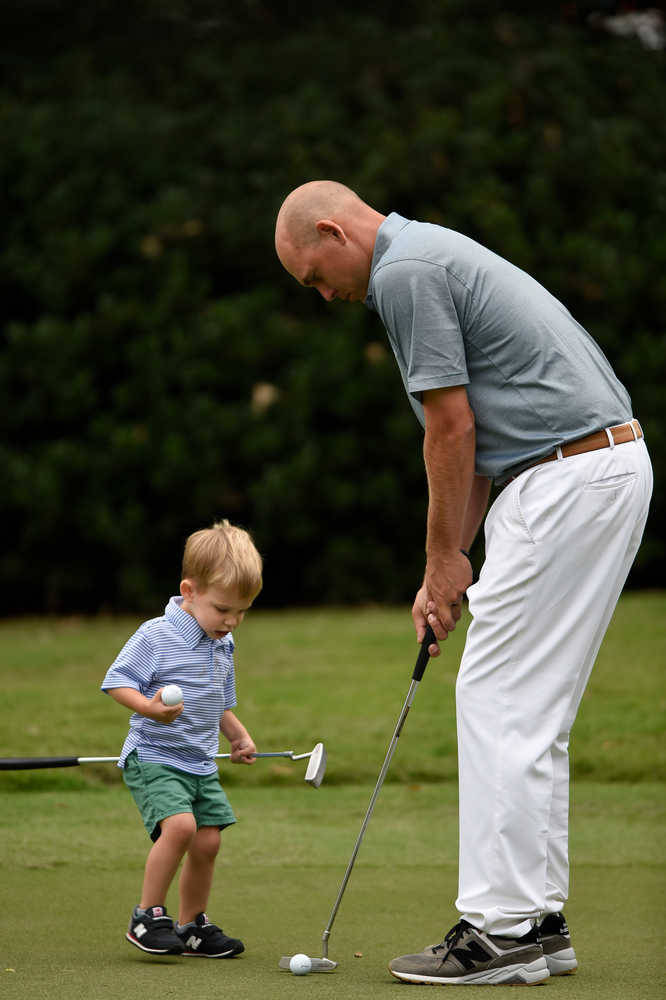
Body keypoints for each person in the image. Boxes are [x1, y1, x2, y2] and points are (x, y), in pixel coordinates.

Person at [275, 181, 653, 986]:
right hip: (596, 465)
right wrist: (444, 568)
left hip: (567, 478)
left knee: (497, 697)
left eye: (314, 277)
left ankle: (500, 930)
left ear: (335, 232)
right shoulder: (433, 251)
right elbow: (476, 438)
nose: (324, 296)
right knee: (530, 708)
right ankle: (538, 924)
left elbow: (450, 427)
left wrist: (444, 560)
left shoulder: (402, 275)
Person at [101, 520, 262, 958]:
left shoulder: (221, 645)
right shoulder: (157, 635)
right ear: (188, 592)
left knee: (209, 840)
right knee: (182, 827)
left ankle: (193, 926)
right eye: (223, 609)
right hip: (154, 756)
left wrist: (238, 735)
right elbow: (116, 682)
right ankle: (147, 915)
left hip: (201, 761)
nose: (231, 622)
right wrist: (149, 707)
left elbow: (218, 702)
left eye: (241, 612)